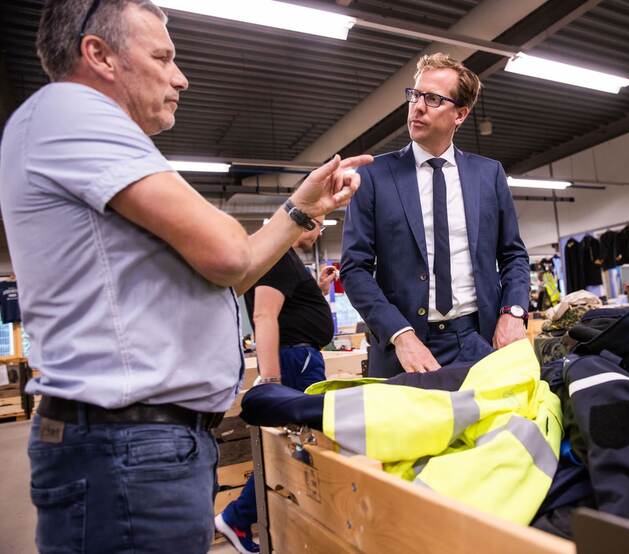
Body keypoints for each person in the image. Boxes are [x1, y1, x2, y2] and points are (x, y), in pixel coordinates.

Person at [0, 1, 370, 552]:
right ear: (97, 54)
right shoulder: (71, 110)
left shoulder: (80, 138)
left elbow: (232, 274)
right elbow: (226, 251)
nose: (182, 77)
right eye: (162, 57)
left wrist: (298, 207)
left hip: (143, 442)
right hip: (125, 444)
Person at [341, 53, 530, 378]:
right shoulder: (374, 176)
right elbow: (355, 268)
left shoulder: (489, 175)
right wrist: (399, 333)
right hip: (407, 345)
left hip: (478, 339)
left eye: (432, 99)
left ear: (460, 113)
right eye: (415, 95)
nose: (417, 106)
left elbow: (513, 255)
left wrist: (513, 312)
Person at [216, 218, 335, 553]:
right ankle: (238, 518)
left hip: (298, 359)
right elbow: (264, 317)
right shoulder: (278, 253)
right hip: (297, 363)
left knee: (296, 445)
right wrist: (270, 380)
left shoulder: (283, 258)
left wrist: (318, 289)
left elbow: (286, 312)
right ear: (305, 221)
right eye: (319, 227)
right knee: (296, 446)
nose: (320, 234)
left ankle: (241, 517)